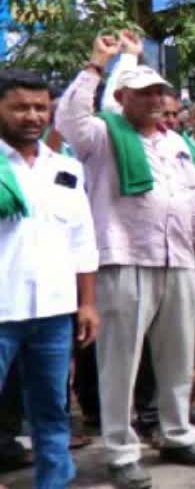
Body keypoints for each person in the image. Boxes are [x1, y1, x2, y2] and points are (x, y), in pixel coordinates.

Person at [57, 32, 195, 489]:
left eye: (160, 92)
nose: (156, 99)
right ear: (121, 98)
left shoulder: (176, 143)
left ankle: (175, 433)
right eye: (145, 92)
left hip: (179, 263)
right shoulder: (103, 135)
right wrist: (97, 62)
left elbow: (191, 201)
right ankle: (120, 449)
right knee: (120, 363)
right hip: (124, 260)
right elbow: (69, 117)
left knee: (177, 358)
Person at [0, 68, 99, 489]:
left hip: (55, 311)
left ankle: (54, 481)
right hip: (2, 308)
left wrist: (88, 303)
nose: (32, 116)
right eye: (20, 107)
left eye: (41, 107)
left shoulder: (67, 168)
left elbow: (82, 239)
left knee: (52, 408)